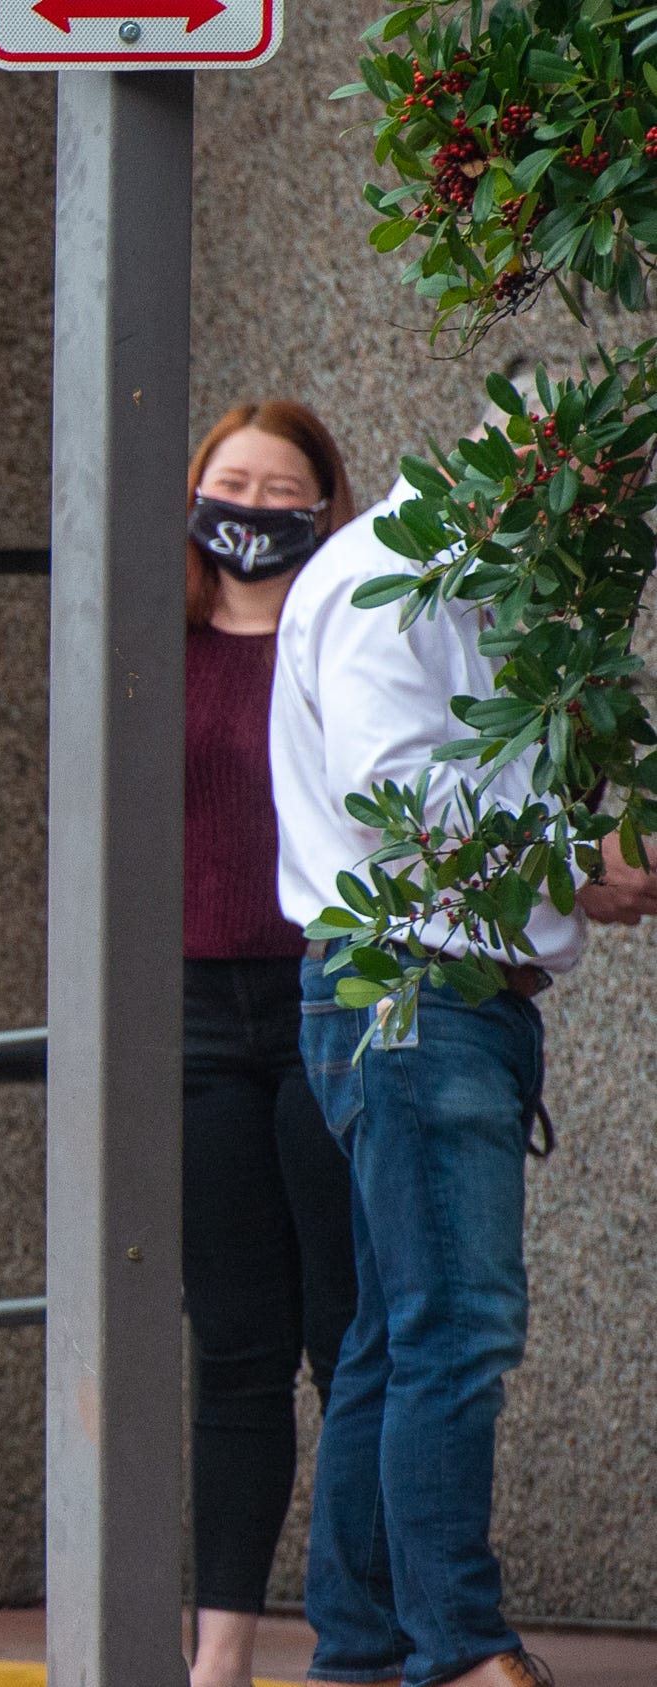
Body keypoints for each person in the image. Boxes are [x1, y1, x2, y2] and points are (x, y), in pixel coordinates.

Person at [274, 391, 657, 1687]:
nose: (596, 534)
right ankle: (449, 1648)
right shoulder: (392, 575)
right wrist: (574, 860)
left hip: (431, 995)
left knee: (396, 1333)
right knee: (450, 1327)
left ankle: (361, 1645)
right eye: (593, 500)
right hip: (411, 990)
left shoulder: (461, 586)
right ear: (530, 464)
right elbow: (395, 801)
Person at [177, 401, 360, 1687]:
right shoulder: (150, 646)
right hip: (188, 1017)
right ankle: (218, 1653)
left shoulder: (345, 640)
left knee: (349, 1334)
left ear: (322, 508)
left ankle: (364, 1623)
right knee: (234, 1343)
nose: (248, 505)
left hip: (324, 1001)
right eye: (227, 481)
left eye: (277, 486)